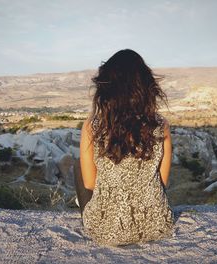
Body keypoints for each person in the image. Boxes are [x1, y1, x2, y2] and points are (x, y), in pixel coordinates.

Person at [75, 49, 175, 246]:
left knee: (77, 169)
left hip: (105, 229)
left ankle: (84, 206)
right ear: (146, 88)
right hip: (157, 226)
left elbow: (89, 183)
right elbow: (162, 182)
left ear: (107, 88)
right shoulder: (160, 126)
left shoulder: (93, 126)